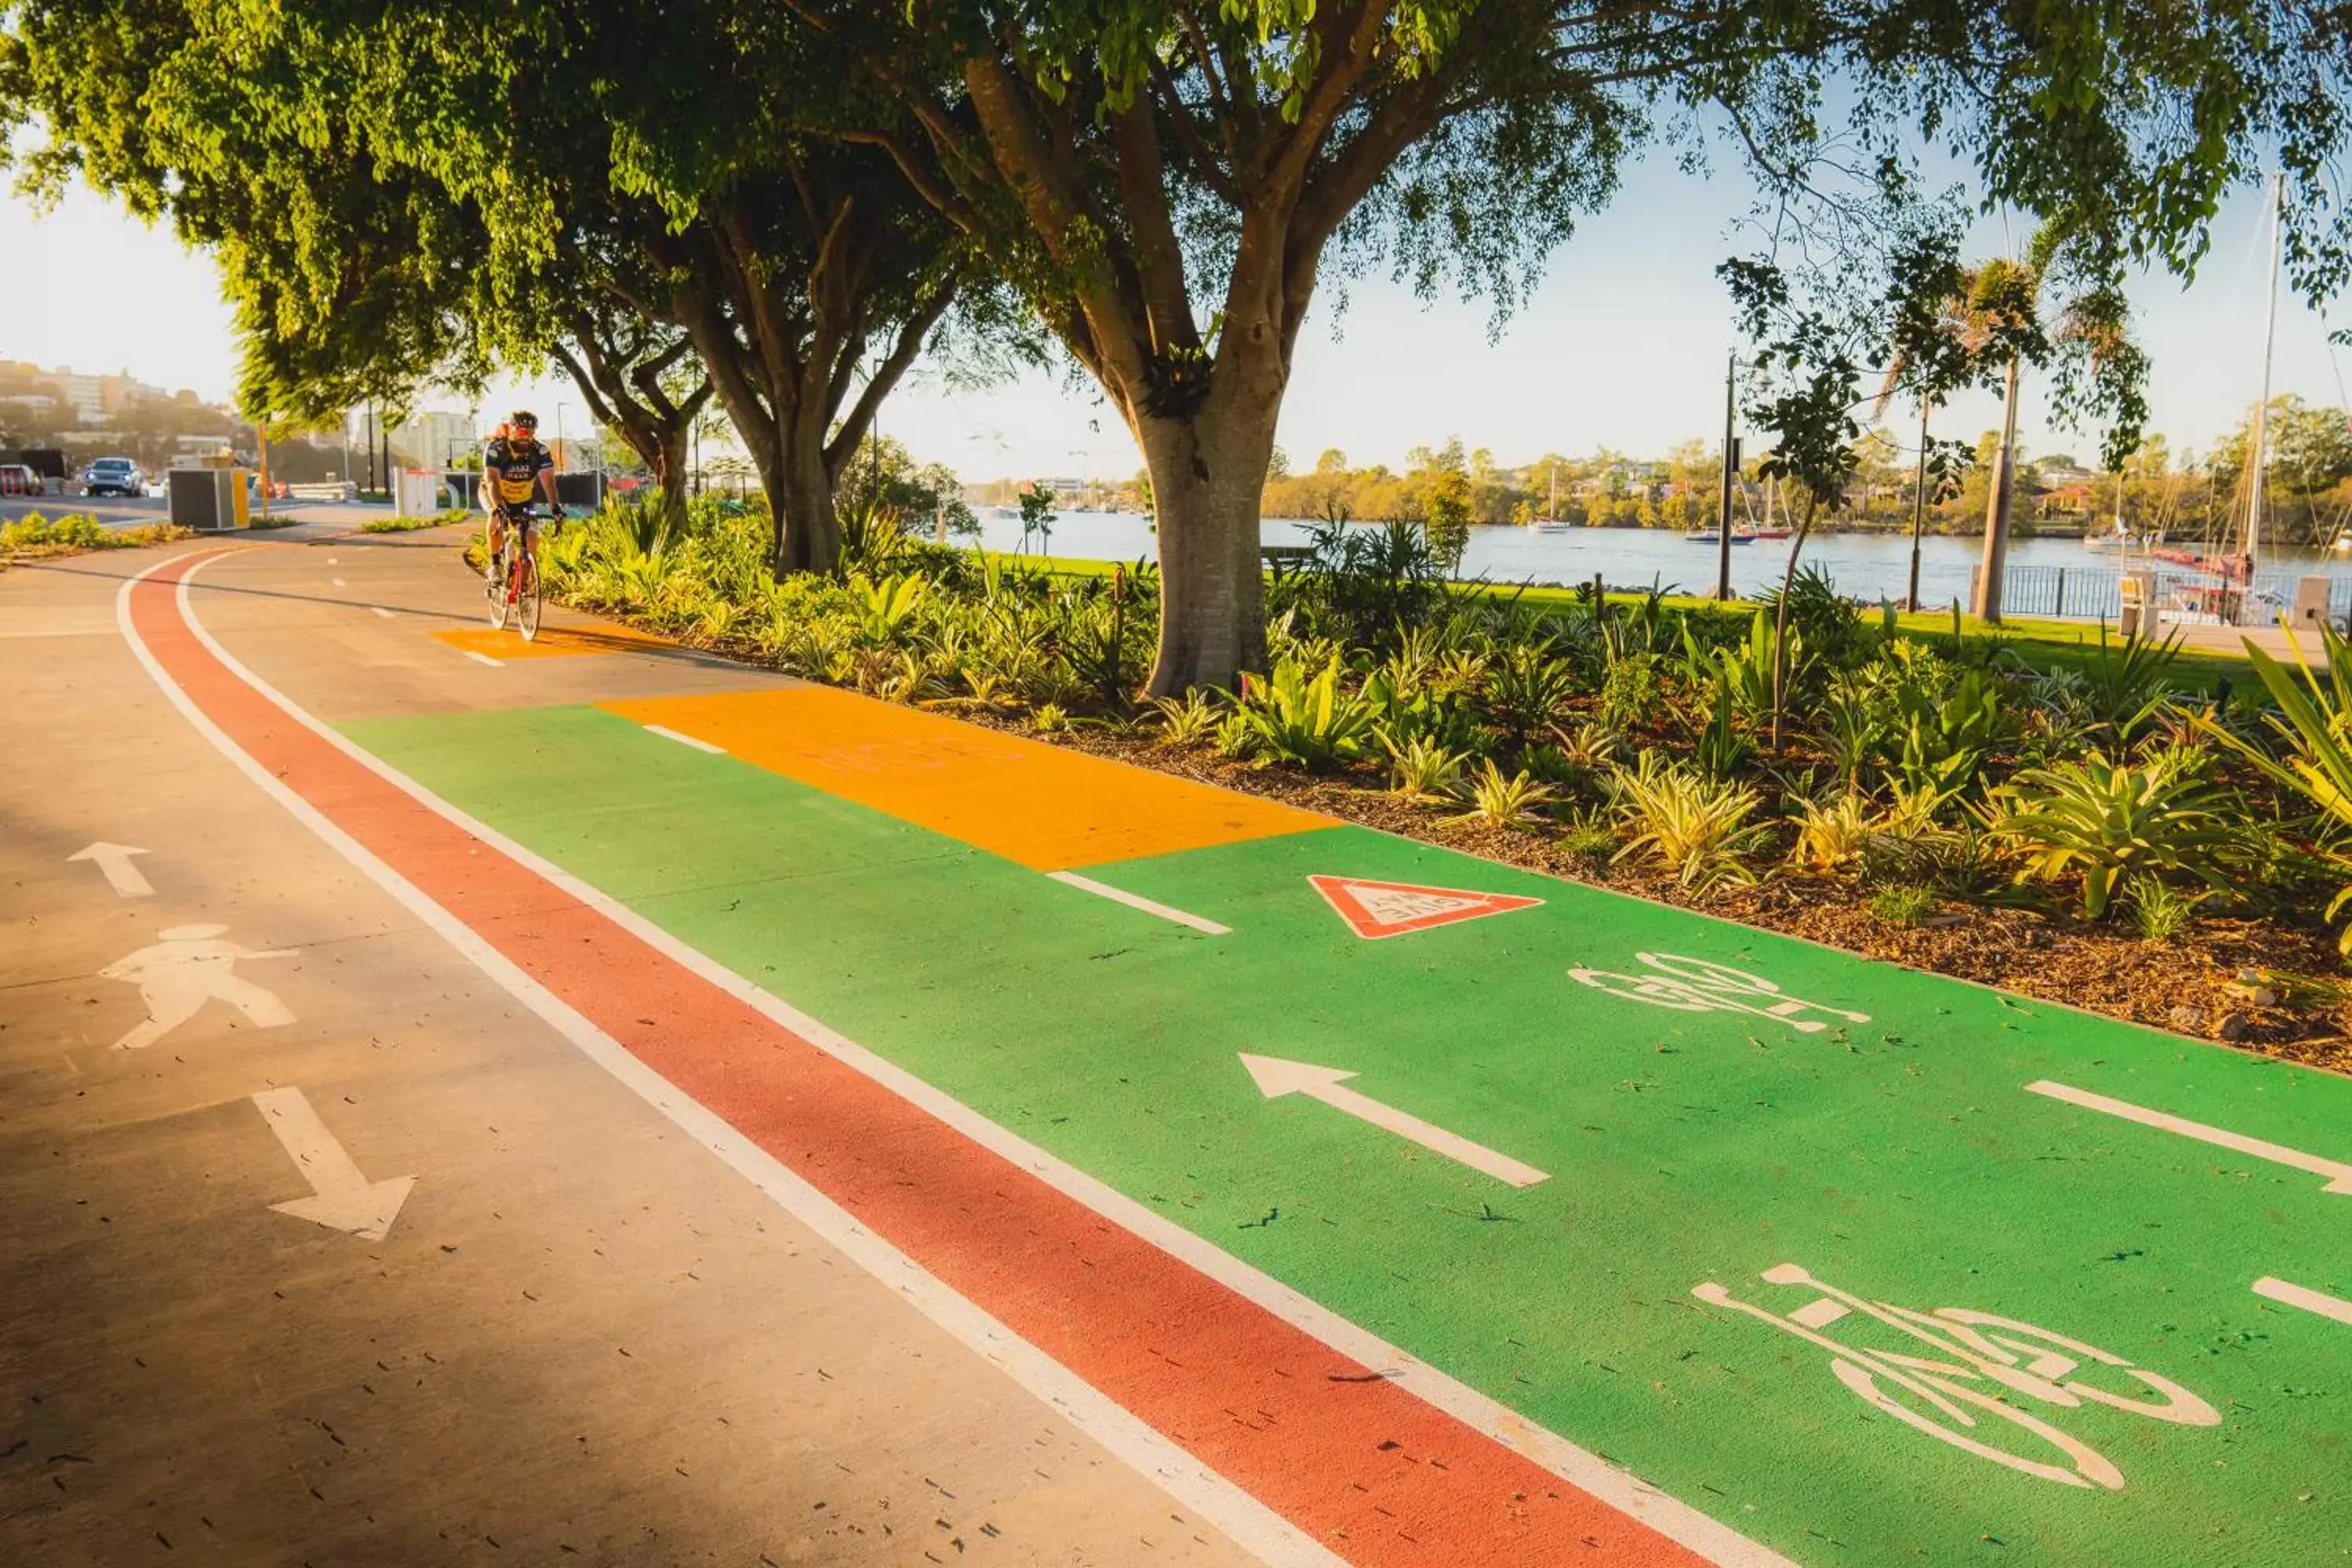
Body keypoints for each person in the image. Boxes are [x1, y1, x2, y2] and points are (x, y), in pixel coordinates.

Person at [482, 410, 564, 567]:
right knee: (496, 518)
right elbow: (492, 481)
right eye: (522, 431)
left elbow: (548, 483)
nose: (526, 437)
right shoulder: (496, 449)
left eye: (531, 433)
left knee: (531, 538)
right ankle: (495, 565)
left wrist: (555, 508)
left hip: (523, 501)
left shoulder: (540, 451)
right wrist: (499, 508)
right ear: (511, 429)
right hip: (496, 494)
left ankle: (524, 587)